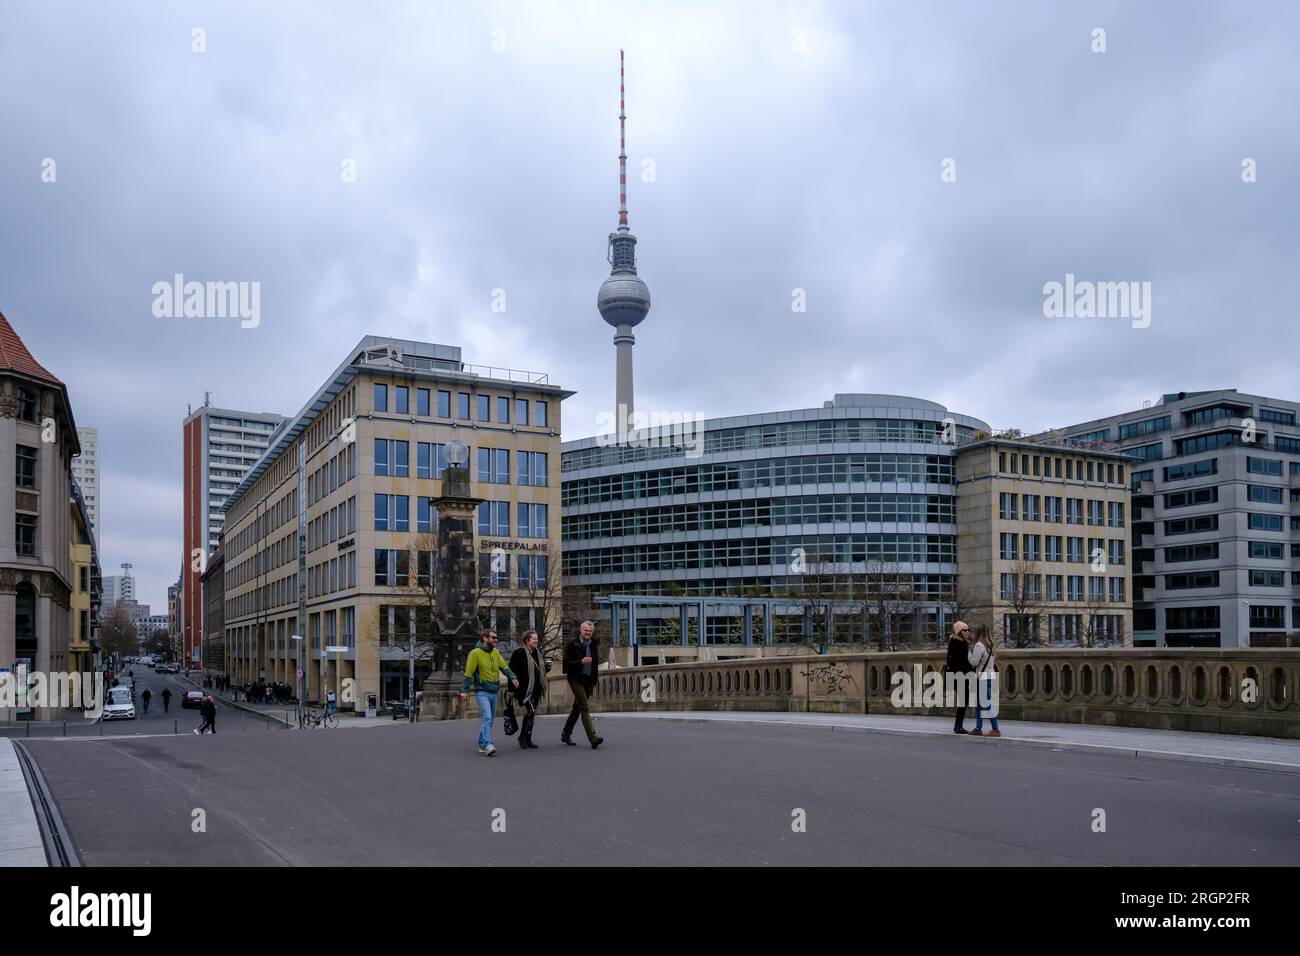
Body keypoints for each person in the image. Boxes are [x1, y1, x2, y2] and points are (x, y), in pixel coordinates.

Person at [458, 630, 518, 756]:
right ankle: (488, 744)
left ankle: (482, 743)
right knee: (487, 717)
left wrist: (513, 677)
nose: (496, 640)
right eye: (493, 637)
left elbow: (504, 667)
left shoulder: (495, 652)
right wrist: (465, 691)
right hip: (482, 691)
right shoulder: (475, 653)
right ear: (485, 638)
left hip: (494, 690)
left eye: (497, 637)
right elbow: (468, 674)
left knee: (490, 720)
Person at [561, 620, 604, 749]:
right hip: (576, 679)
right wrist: (581, 661)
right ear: (581, 630)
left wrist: (594, 680)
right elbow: (566, 664)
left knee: (577, 708)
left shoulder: (593, 644)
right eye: (586, 630)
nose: (588, 633)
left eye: (590, 631)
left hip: (589, 681)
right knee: (584, 707)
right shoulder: (571, 644)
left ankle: (565, 734)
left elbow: (595, 664)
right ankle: (593, 738)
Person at [508, 629, 550, 749]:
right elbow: (512, 672)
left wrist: (546, 668)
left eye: (537, 639)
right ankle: (522, 737)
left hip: (536, 689)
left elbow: (539, 671)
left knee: (531, 714)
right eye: (534, 639)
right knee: (530, 712)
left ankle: (527, 738)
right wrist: (511, 690)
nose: (536, 641)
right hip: (523, 690)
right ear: (527, 640)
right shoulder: (519, 653)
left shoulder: (538, 653)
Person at [968, 625, 1001, 737]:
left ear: (978, 634)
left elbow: (973, 662)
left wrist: (969, 652)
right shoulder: (991, 646)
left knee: (985, 703)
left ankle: (995, 729)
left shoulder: (979, 645)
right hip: (990, 676)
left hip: (982, 677)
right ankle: (978, 728)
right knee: (979, 703)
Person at [945, 620, 975, 734]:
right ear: (959, 631)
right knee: (964, 701)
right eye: (965, 630)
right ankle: (958, 726)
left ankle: (958, 725)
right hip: (961, 676)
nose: (967, 632)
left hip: (957, 676)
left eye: (968, 630)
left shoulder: (954, 642)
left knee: (963, 701)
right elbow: (963, 662)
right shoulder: (960, 644)